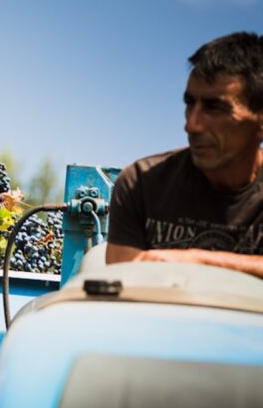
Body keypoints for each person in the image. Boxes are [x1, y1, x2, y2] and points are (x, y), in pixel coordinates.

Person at [106, 31, 263, 279]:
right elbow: (120, 282)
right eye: (190, 103)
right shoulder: (141, 183)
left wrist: (196, 260)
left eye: (215, 107)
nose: (192, 125)